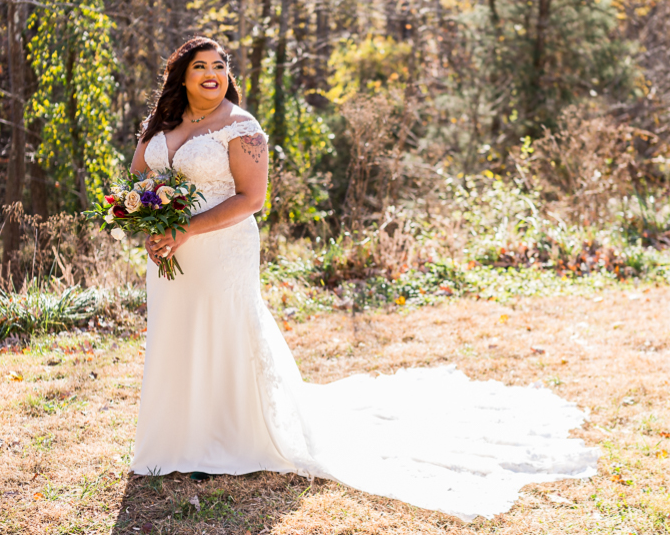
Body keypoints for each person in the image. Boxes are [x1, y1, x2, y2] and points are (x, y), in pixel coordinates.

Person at [128, 36, 599, 520]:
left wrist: (185, 227)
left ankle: (221, 440)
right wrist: (149, 219)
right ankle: (175, 437)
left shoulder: (242, 127)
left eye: (220, 65)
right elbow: (139, 176)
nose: (212, 74)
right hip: (168, 248)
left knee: (222, 333)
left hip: (220, 246)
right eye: (200, 66)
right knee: (177, 332)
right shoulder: (165, 123)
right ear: (181, 76)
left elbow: (251, 200)